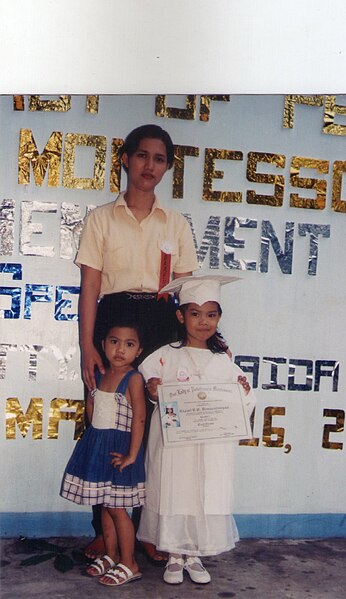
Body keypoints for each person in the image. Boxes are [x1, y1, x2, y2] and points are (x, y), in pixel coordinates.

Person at [75, 123, 199, 561]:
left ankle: (147, 529)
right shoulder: (101, 219)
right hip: (112, 321)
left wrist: (194, 347)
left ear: (167, 168)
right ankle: (105, 528)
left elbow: (186, 290)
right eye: (143, 155)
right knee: (107, 424)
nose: (150, 166)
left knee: (155, 430)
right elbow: (90, 287)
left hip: (161, 323)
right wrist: (88, 346)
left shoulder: (177, 224)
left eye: (160, 159)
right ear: (125, 159)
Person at [137, 274, 257, 585]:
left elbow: (243, 404)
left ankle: (195, 555)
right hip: (174, 444)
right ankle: (175, 555)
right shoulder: (166, 355)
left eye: (211, 314)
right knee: (175, 491)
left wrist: (243, 391)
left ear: (219, 317)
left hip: (211, 446)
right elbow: (149, 391)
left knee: (203, 492)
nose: (203, 321)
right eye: (195, 313)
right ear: (181, 316)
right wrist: (153, 390)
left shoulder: (223, 362)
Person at [61, 318, 146, 587]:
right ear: (103, 345)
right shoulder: (98, 375)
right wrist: (93, 444)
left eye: (129, 344)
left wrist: (132, 455)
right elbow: (91, 407)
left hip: (121, 452)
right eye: (114, 342)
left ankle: (130, 562)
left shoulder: (133, 379)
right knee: (105, 506)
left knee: (118, 508)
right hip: (99, 449)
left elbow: (140, 419)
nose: (120, 350)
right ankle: (111, 555)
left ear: (139, 351)